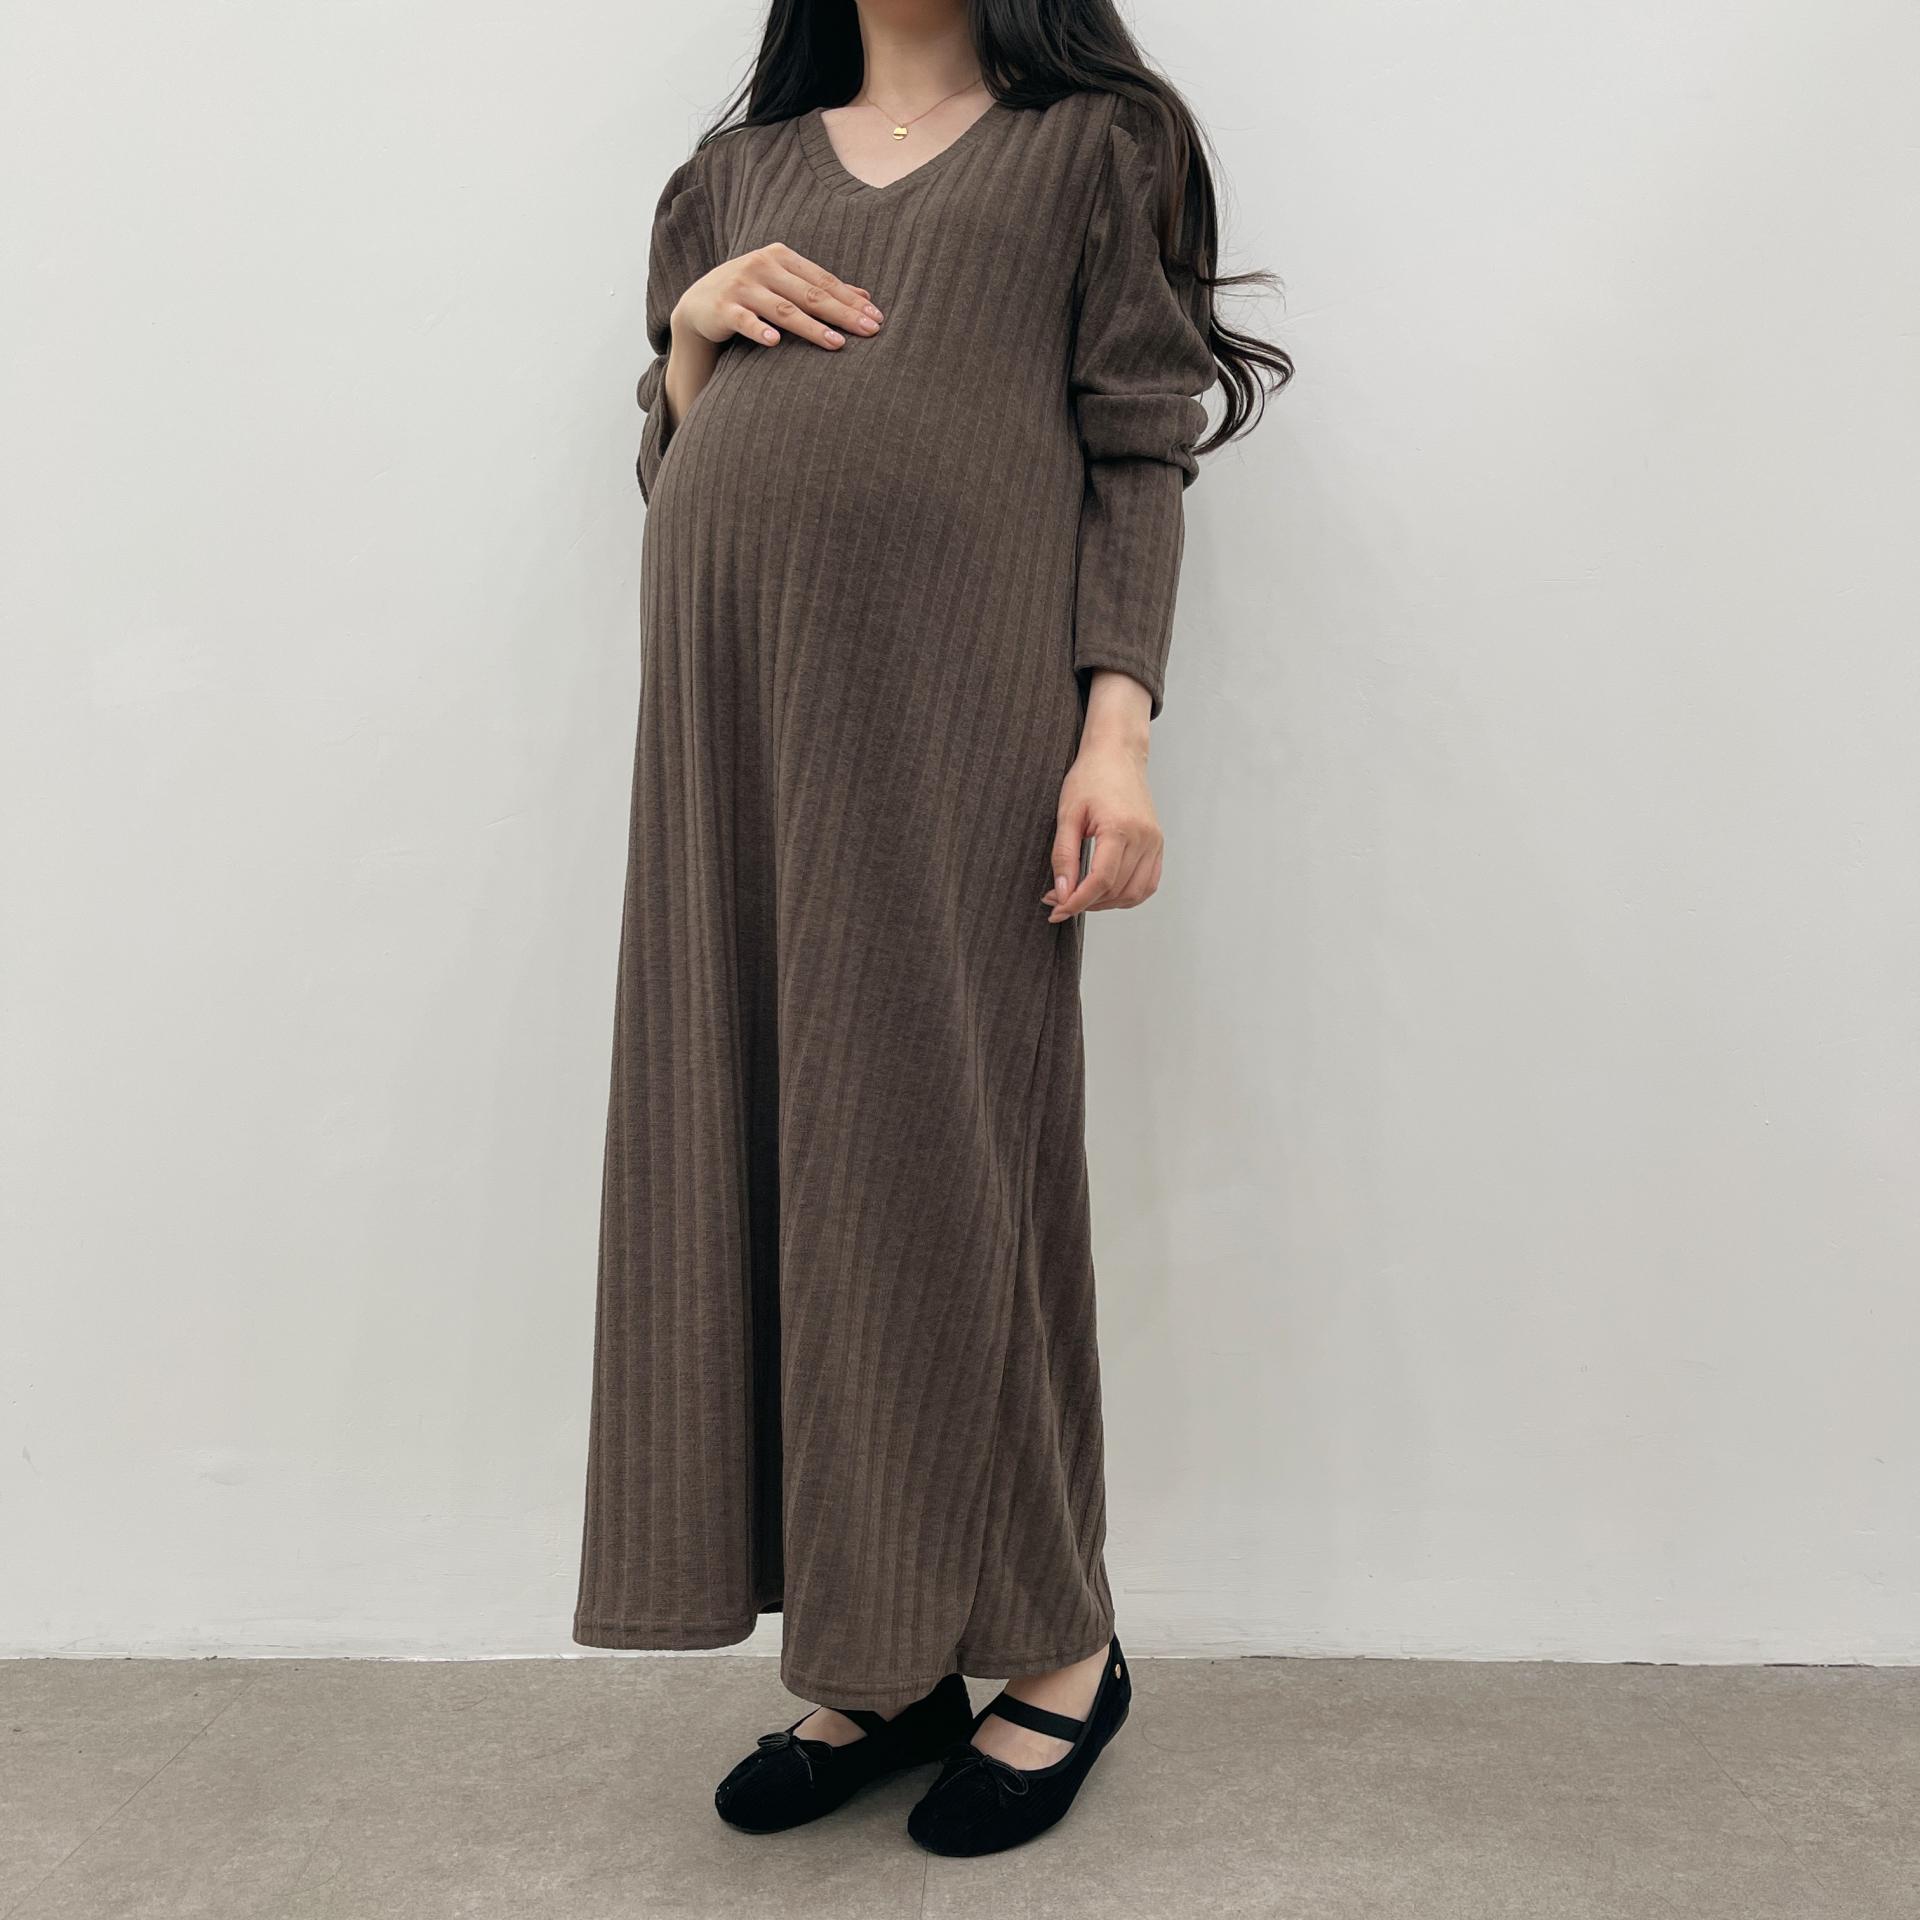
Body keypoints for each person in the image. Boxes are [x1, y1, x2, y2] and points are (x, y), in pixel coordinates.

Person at [573, 0, 1289, 1858]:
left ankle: (1058, 1647)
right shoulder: (729, 175)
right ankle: (883, 1652)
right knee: (772, 1152)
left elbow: (1137, 449)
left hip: (953, 714)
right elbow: (674, 463)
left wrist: (1115, 734)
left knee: (947, 1158)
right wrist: (689, 341)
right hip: (732, 724)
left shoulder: (1096, 147)